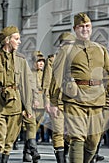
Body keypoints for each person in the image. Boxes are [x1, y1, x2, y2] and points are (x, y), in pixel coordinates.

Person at [49, 13, 109, 162]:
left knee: (94, 140)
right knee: (77, 137)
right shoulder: (66, 49)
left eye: (87, 26)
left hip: (97, 100)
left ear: (91, 28)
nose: (85, 29)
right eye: (81, 26)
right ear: (75, 29)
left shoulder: (100, 49)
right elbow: (57, 77)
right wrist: (54, 102)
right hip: (75, 99)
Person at [0, 26, 35, 163]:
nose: (19, 42)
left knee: (9, 141)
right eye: (16, 39)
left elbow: (26, 85)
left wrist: (28, 108)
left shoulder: (21, 60)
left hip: (15, 104)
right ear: (7, 40)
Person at [44, 32, 75, 163]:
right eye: (67, 44)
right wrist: (48, 102)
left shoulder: (77, 60)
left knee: (71, 132)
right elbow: (47, 83)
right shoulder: (52, 60)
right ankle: (61, 160)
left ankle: (65, 152)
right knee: (58, 131)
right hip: (57, 100)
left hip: (72, 101)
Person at [22, 51, 44, 162]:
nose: (41, 63)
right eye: (38, 61)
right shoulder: (29, 73)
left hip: (42, 104)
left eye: (42, 61)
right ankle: (34, 151)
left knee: (34, 129)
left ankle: (26, 153)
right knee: (31, 127)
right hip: (31, 103)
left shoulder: (44, 74)